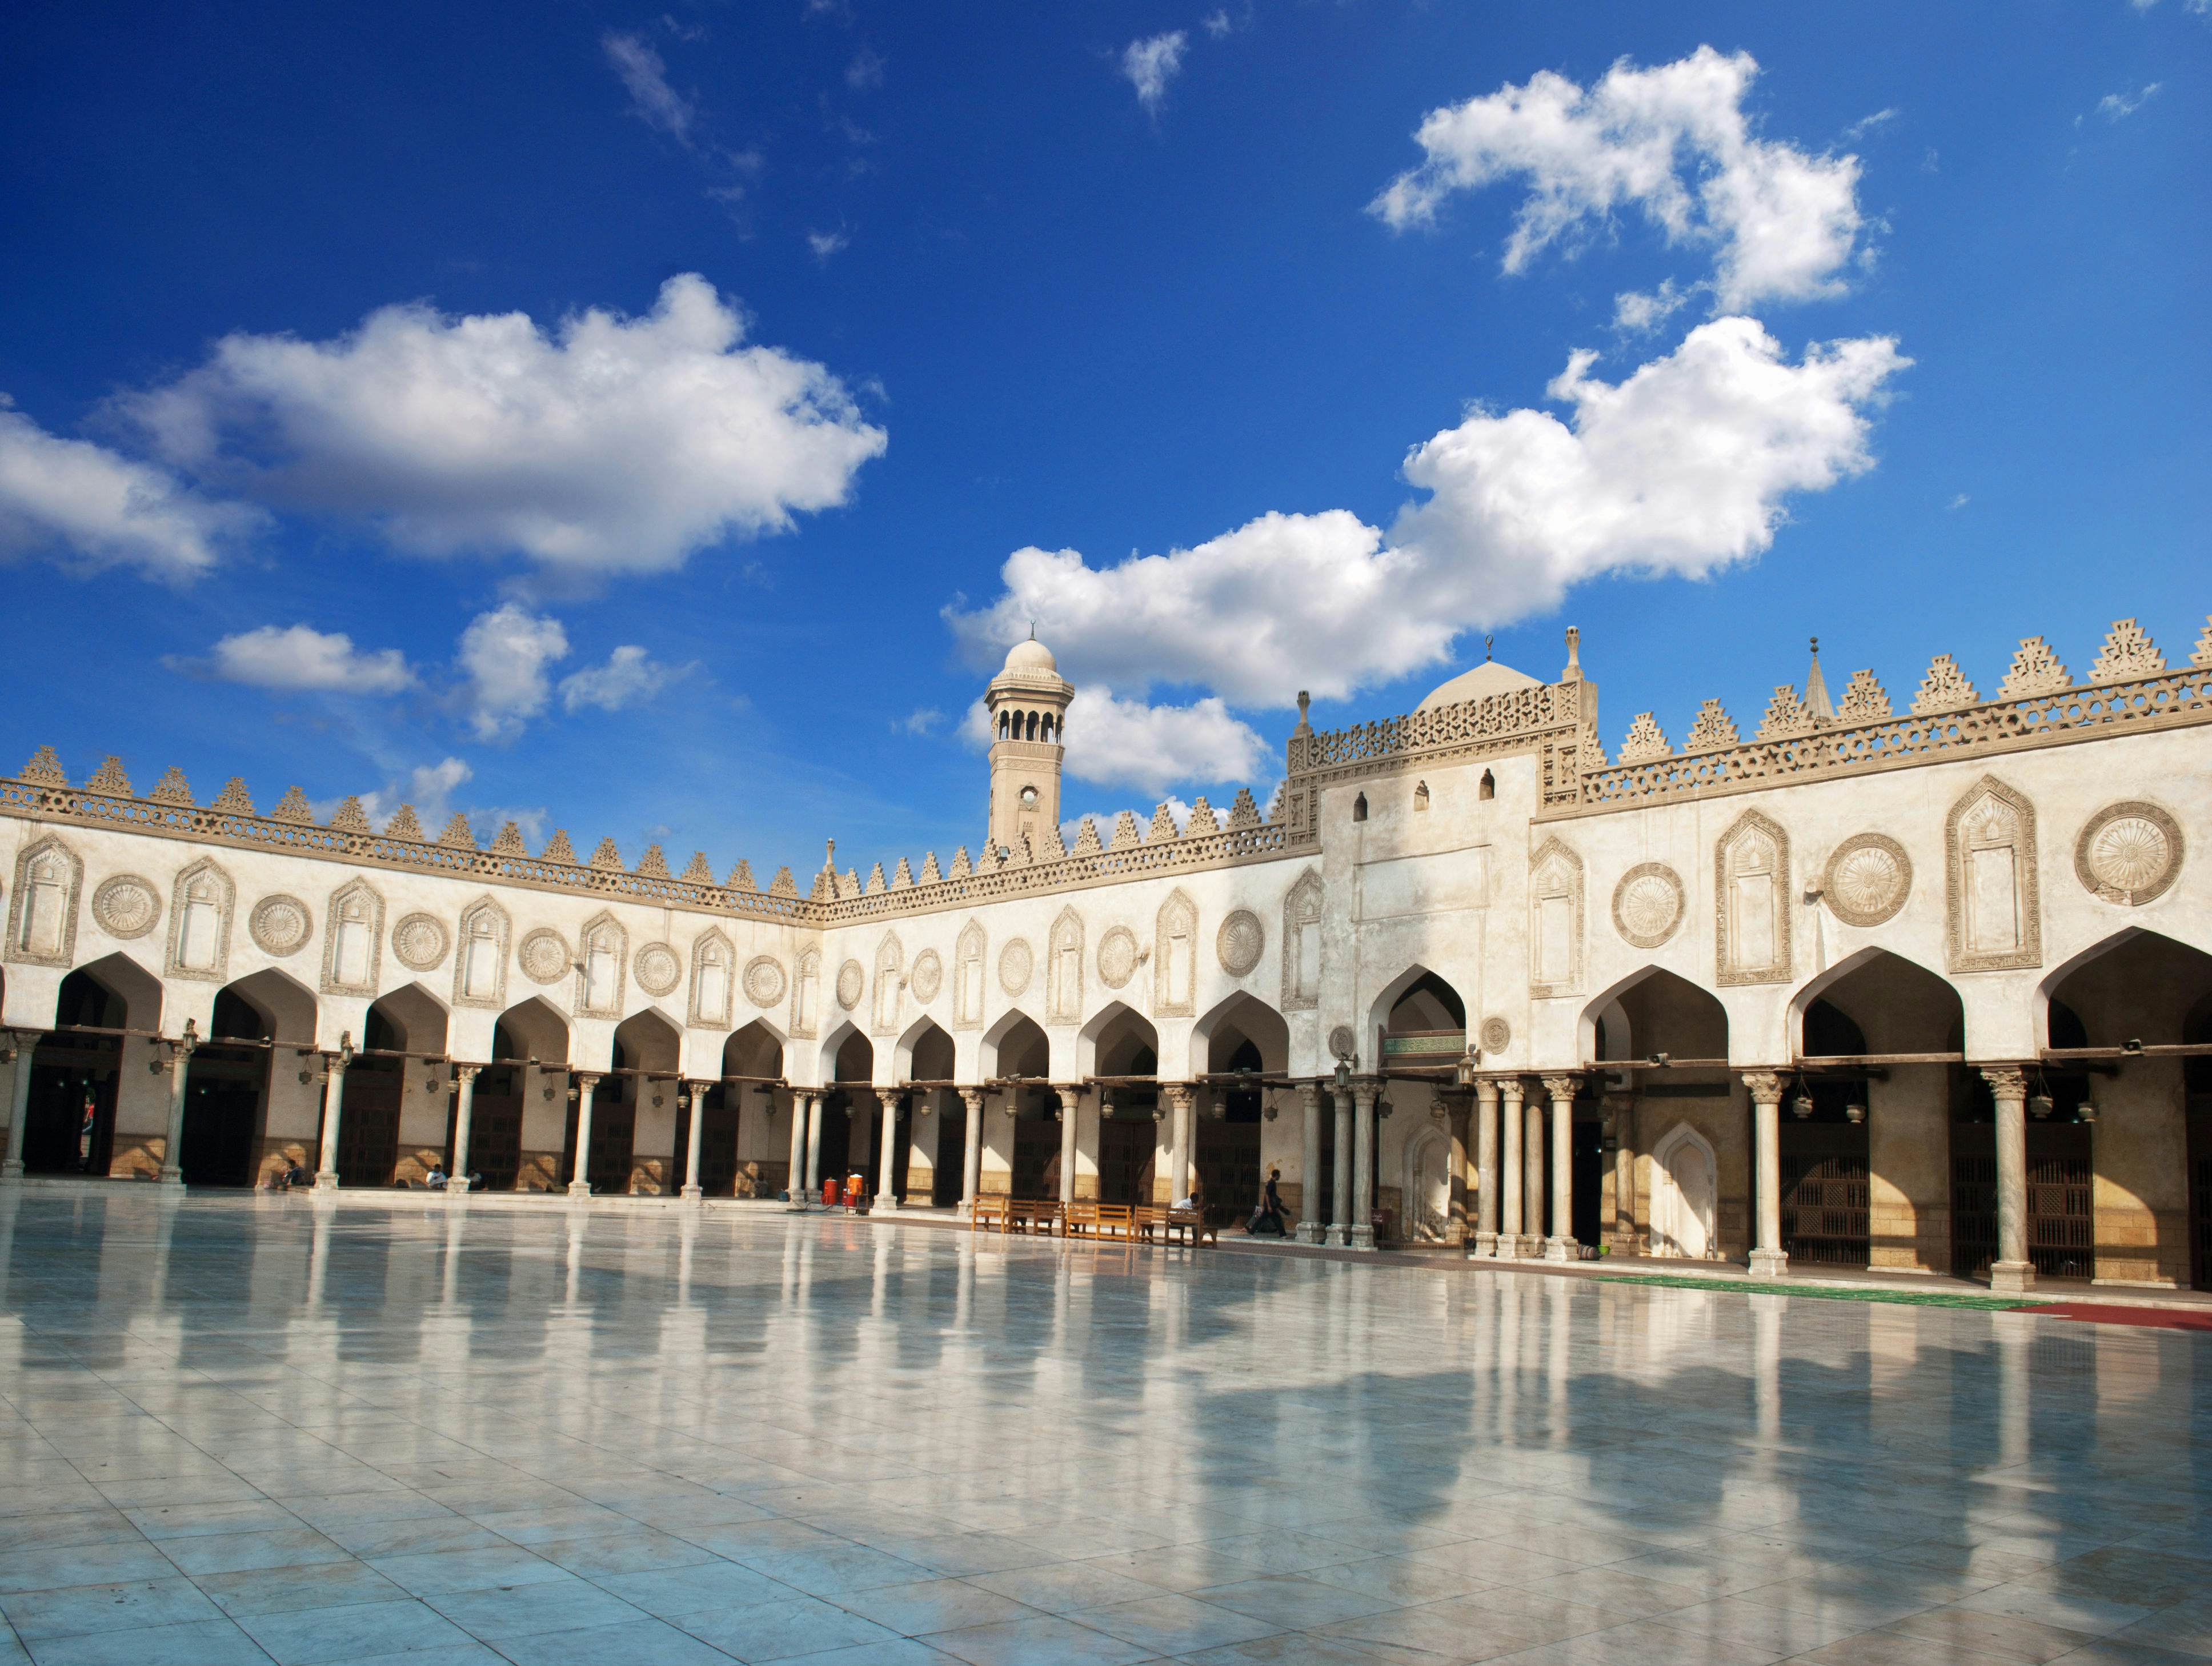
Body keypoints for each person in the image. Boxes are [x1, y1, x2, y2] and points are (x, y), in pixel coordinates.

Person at [1247, 1167, 1288, 1236]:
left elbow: (1272, 1195)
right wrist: (1269, 1206)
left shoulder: (1273, 1183)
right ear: (1276, 1175)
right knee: (1277, 1220)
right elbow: (1267, 1195)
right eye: (1279, 1175)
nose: (1280, 1177)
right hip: (1270, 1206)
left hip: (1271, 1206)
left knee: (1267, 1220)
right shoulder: (1271, 1183)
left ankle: (1251, 1232)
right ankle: (1283, 1235)